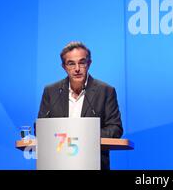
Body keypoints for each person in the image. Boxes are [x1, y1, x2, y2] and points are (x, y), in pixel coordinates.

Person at [37, 41, 123, 170]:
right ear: (64, 67)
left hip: (93, 163)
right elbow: (40, 128)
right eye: (71, 63)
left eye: (82, 62)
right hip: (57, 163)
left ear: (89, 64)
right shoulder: (51, 91)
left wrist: (84, 135)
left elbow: (116, 128)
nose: (77, 68)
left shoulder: (105, 91)